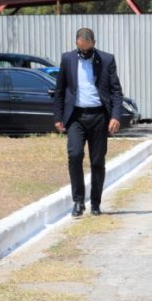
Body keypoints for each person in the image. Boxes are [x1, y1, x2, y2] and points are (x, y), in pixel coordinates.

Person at [52, 27, 124, 217]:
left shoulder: (106, 59)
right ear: (77, 43)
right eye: (81, 48)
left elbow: (116, 91)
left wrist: (116, 116)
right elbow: (60, 89)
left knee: (97, 161)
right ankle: (77, 201)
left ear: (94, 43)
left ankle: (95, 203)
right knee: (74, 155)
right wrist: (58, 117)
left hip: (99, 117)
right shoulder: (67, 59)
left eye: (88, 48)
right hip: (76, 117)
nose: (84, 52)